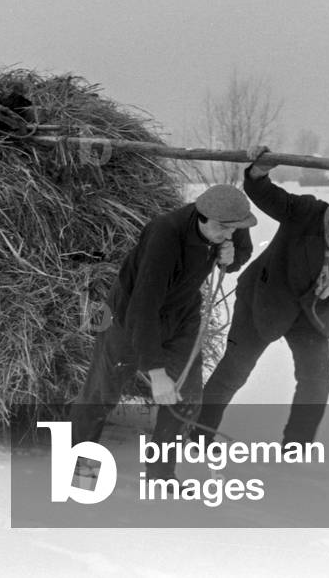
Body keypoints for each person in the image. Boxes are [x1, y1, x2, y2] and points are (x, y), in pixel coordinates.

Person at [69, 184, 256, 479]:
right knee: (101, 392)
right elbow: (143, 308)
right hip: (128, 316)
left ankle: (160, 473)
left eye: (235, 229)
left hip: (183, 315)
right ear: (203, 217)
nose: (230, 234)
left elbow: (241, 251)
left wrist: (233, 257)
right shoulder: (164, 235)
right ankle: (81, 468)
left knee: (187, 394)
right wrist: (156, 373)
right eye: (224, 230)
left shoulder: (228, 219)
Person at [195, 147, 329, 446]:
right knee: (235, 370)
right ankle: (197, 435)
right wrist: (259, 171)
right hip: (265, 299)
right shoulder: (305, 212)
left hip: (312, 313)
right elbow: (263, 193)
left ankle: (296, 446)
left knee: (318, 377)